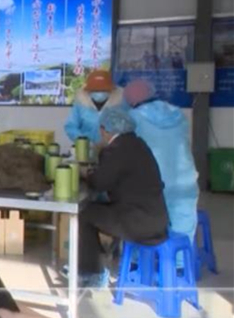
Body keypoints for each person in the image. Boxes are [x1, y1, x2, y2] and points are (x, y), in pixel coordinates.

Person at [77, 108, 169, 287]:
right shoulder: (139, 144)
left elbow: (99, 183)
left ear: (104, 130)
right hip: (158, 220)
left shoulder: (116, 150)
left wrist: (84, 173)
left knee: (85, 213)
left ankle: (93, 272)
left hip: (139, 223)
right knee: (102, 207)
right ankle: (104, 256)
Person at [124, 79, 198, 241]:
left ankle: (141, 255)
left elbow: (124, 152)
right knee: (183, 234)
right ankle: (180, 257)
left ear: (131, 100)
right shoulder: (178, 114)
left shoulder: (133, 118)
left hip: (152, 186)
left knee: (143, 231)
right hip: (185, 183)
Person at [64, 69, 126, 145]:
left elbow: (127, 129)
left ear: (112, 89)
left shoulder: (120, 104)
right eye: (95, 90)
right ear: (88, 90)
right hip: (86, 149)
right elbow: (71, 127)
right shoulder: (80, 105)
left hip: (114, 148)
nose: (99, 93)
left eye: (103, 90)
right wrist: (84, 142)